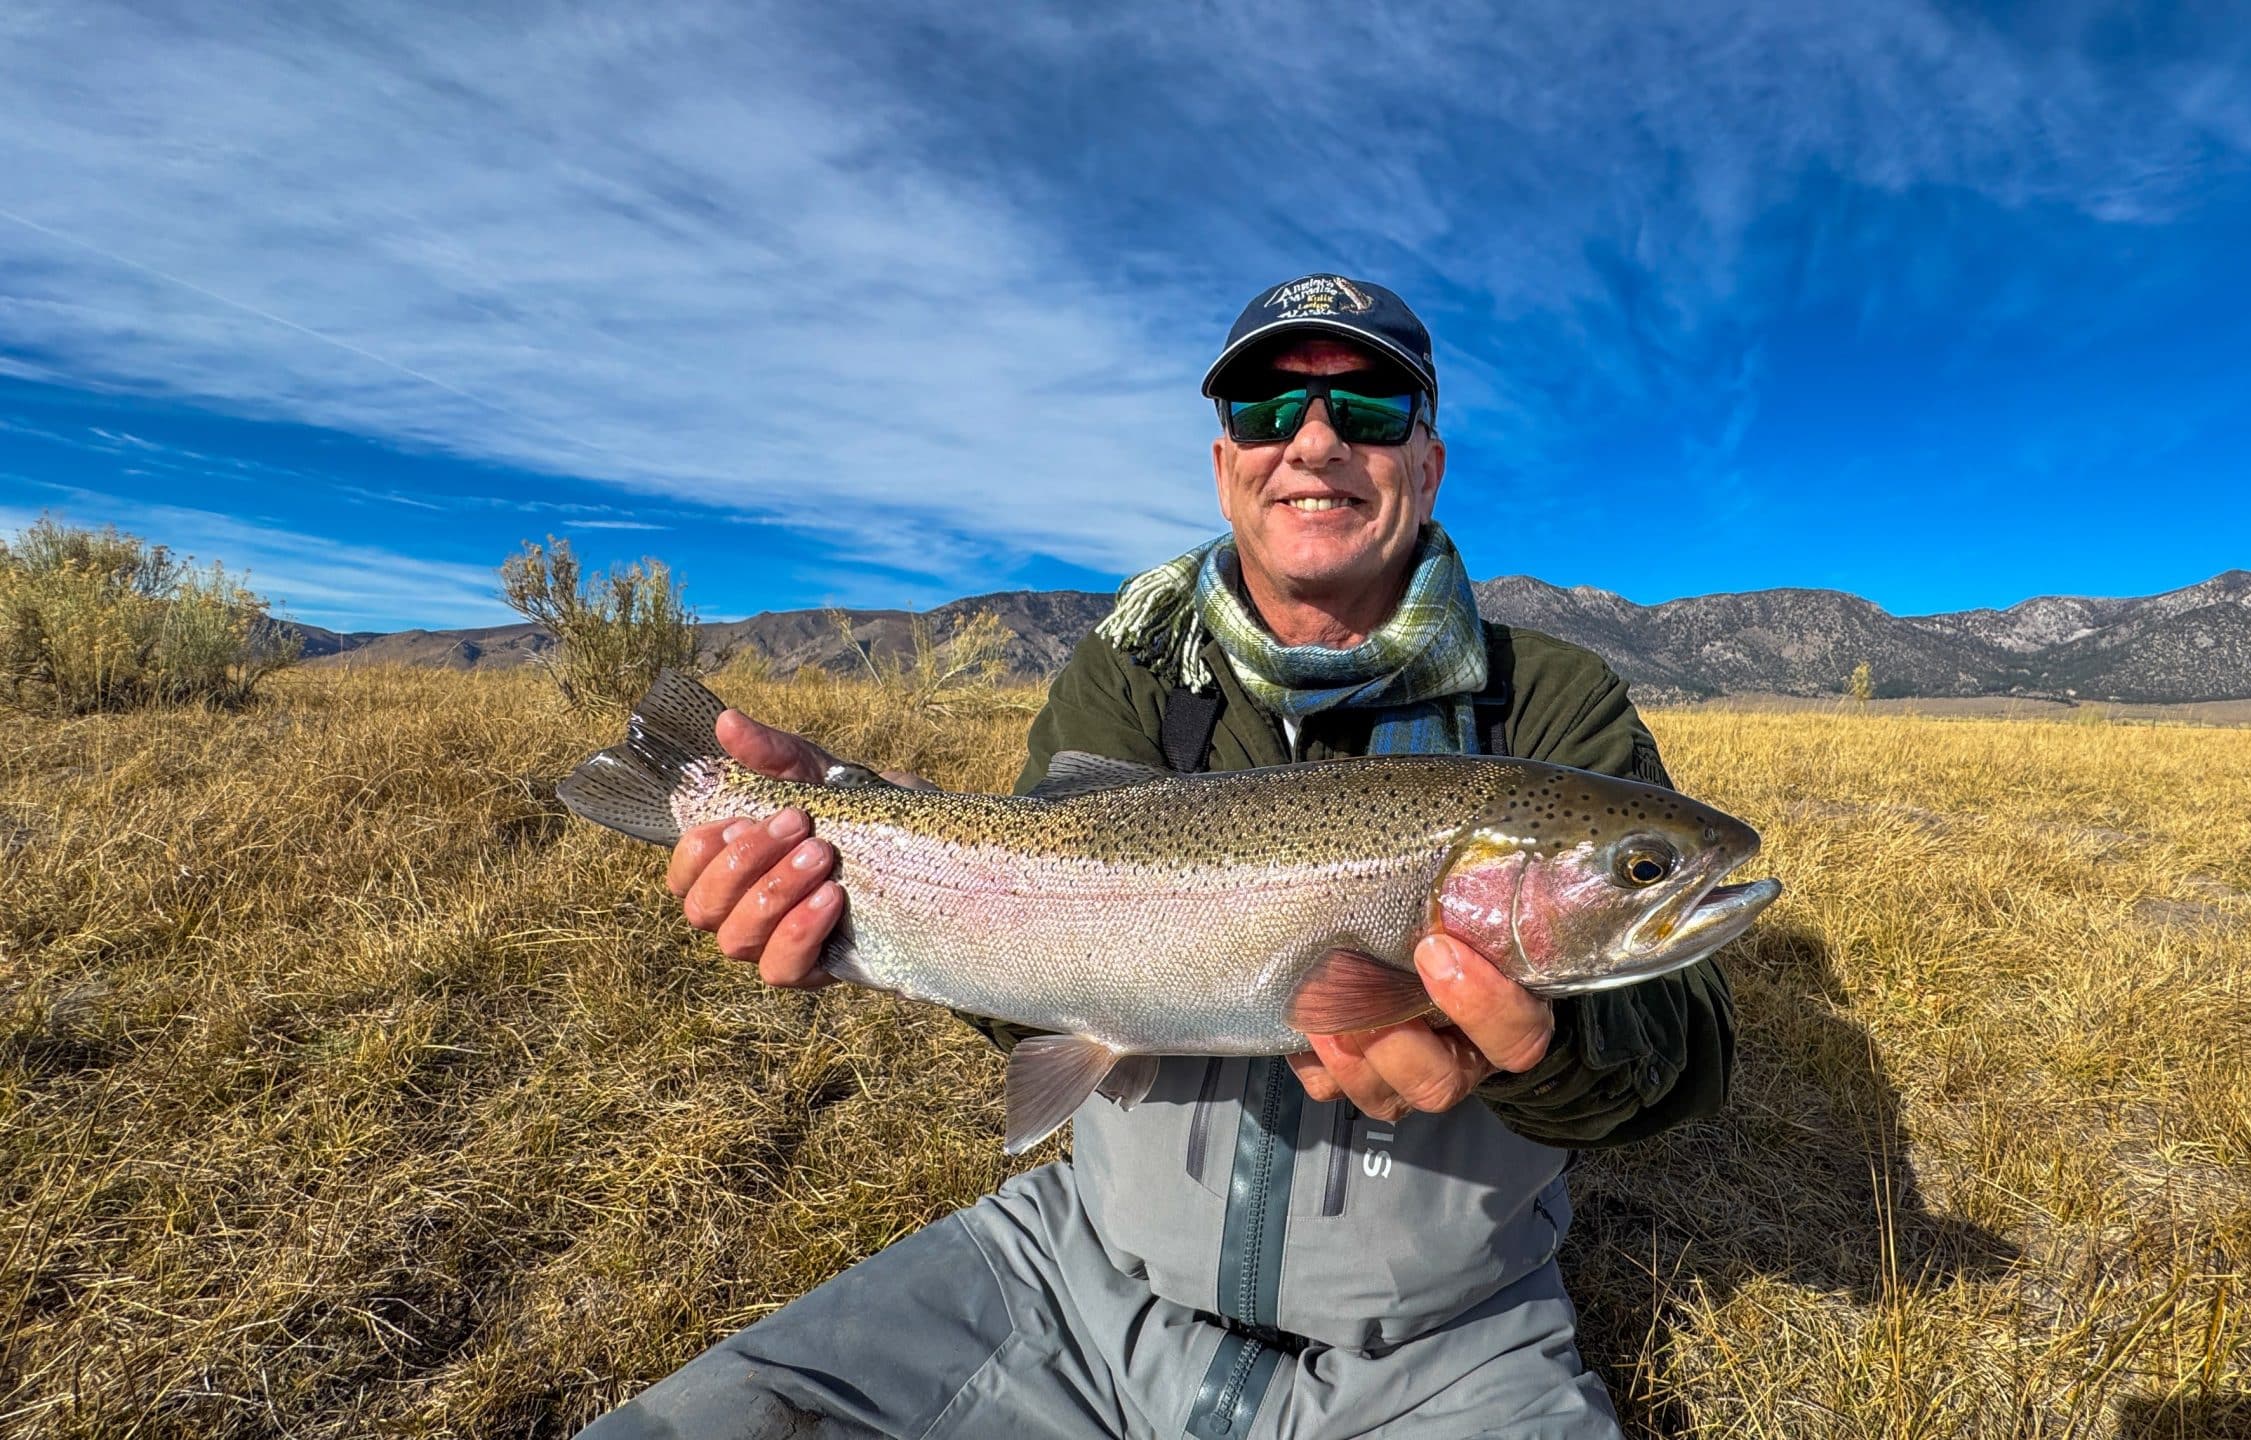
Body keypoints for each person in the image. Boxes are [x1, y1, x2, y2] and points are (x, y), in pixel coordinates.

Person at [581, 275, 1736, 1439]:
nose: (1316, 442)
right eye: (1268, 411)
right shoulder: (1129, 674)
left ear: (1428, 463)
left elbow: (1687, 1047)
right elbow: (1028, 919)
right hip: (1080, 1282)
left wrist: (1538, 1052)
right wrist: (844, 836)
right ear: (1226, 461)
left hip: (1447, 1347)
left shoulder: (1550, 704)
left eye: (1370, 409)